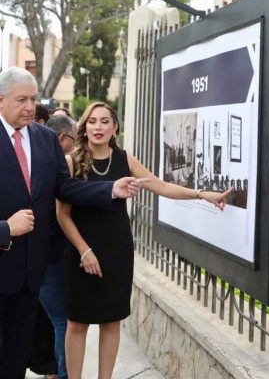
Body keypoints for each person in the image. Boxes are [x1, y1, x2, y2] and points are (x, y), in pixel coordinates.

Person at [56, 101, 232, 379]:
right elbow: (62, 214)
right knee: (77, 323)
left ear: (115, 128)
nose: (98, 127)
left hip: (116, 250)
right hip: (80, 251)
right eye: (92, 121)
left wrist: (202, 194)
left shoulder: (125, 159)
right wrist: (84, 250)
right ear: (84, 127)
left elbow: (161, 186)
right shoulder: (70, 162)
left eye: (105, 121)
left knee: (111, 322)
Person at [0, 66, 145, 378]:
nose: (30, 107)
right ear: (1, 100)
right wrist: (6, 229)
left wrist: (110, 189)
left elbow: (65, 189)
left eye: (33, 99)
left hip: (29, 275)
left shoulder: (45, 139)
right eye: (22, 100)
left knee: (15, 358)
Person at [38, 115, 77, 379]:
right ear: (62, 139)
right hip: (51, 259)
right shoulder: (55, 169)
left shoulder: (43, 163)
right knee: (63, 320)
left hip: (46, 258)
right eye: (76, 140)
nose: (78, 147)